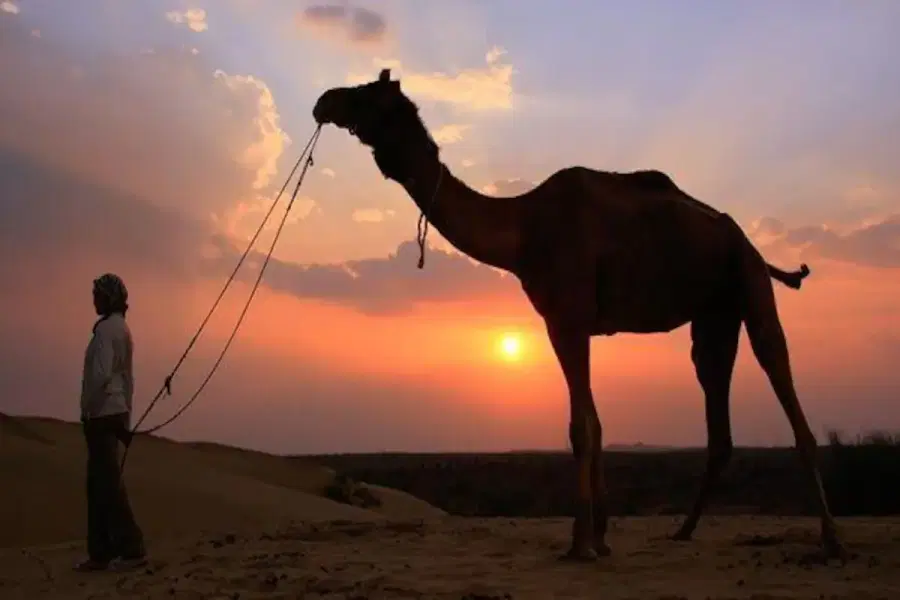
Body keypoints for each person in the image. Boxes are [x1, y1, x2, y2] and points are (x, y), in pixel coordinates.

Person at [75, 273, 147, 572]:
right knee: (98, 484)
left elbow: (101, 375)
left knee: (106, 485)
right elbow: (128, 379)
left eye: (98, 295)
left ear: (108, 298)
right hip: (114, 412)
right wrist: (126, 417)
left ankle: (132, 549)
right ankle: (100, 552)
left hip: (102, 414)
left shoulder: (106, 331)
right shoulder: (122, 329)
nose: (94, 299)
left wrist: (88, 409)